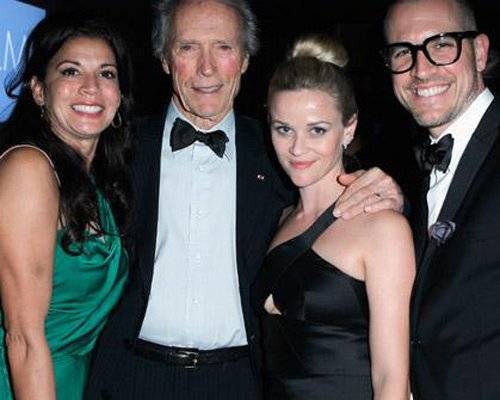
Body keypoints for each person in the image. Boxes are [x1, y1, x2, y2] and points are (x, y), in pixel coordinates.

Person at [86, 1, 404, 399]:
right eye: (187, 47)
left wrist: (391, 195)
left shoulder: (281, 155)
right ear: (165, 59)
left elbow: (343, 202)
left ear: (246, 59)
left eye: (223, 47)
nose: (206, 68)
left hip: (241, 382)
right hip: (132, 377)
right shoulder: (117, 150)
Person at [252, 33, 415, 400]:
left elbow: (391, 380)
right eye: (283, 129)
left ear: (349, 128)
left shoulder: (382, 227)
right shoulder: (281, 219)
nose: (297, 148)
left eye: (317, 130)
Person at [0, 11, 133, 400]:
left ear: (119, 94)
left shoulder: (97, 184)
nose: (91, 87)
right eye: (71, 72)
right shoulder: (28, 168)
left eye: (106, 74)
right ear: (39, 90)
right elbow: (24, 338)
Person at [381, 0, 500, 398]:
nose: (420, 69)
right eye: (403, 52)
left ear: (479, 52)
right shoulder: (413, 168)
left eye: (441, 44)